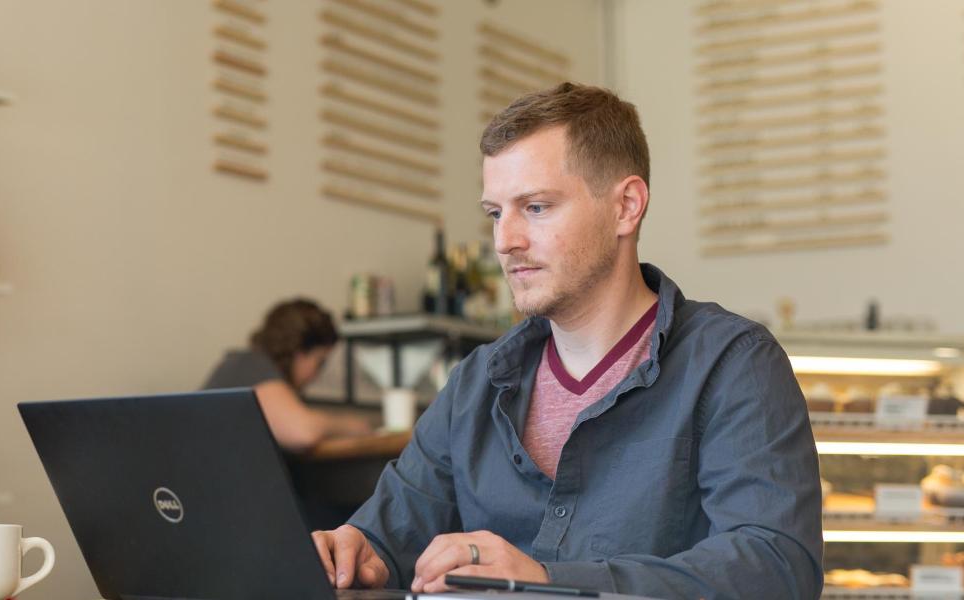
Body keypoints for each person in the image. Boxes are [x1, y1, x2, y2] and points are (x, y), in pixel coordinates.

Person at [311, 83, 823, 599]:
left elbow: (775, 565)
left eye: (535, 208)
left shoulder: (732, 365)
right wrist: (355, 548)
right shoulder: (476, 383)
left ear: (626, 206)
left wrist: (545, 583)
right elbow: (386, 536)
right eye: (495, 213)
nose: (504, 241)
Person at [203, 298, 373, 452]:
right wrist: (355, 426)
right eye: (320, 361)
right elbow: (302, 432)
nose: (318, 373)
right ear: (300, 352)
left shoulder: (243, 366)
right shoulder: (250, 365)